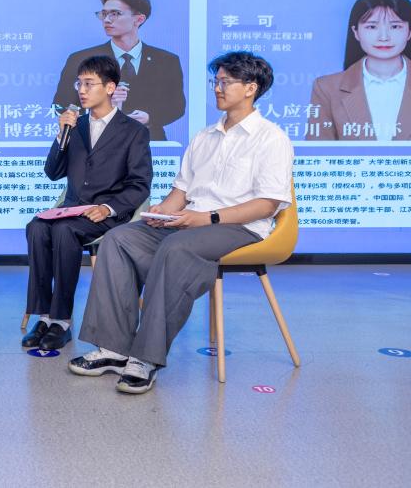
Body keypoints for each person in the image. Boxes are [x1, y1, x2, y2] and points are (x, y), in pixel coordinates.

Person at [71, 52, 293, 394]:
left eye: (225, 82)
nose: (217, 88)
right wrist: (162, 211)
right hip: (190, 222)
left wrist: (208, 218)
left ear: (251, 88)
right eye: (216, 81)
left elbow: (268, 203)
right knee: (118, 238)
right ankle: (113, 348)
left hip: (239, 227)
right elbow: (181, 192)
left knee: (176, 249)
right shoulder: (204, 137)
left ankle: (145, 358)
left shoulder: (271, 138)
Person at [23, 56, 152, 351]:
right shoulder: (76, 126)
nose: (81, 90)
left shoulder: (133, 131)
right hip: (71, 208)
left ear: (110, 88)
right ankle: (44, 316)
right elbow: (53, 172)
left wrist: (108, 208)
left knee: (63, 231)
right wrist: (62, 135)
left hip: (107, 213)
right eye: (79, 83)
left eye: (89, 84)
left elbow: (140, 184)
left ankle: (62, 320)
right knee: (36, 228)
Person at [53, 0, 186, 141]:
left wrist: (150, 117)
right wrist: (101, 111)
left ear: (139, 19)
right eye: (104, 14)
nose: (106, 20)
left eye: (115, 14)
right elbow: (61, 104)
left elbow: (177, 106)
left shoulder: (166, 60)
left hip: (148, 141)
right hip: (95, 141)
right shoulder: (81, 59)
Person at [307, 0, 411, 141]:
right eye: (372, 27)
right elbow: (319, 151)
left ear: (410, 32)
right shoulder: (326, 89)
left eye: (395, 27)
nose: (384, 37)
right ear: (356, 32)